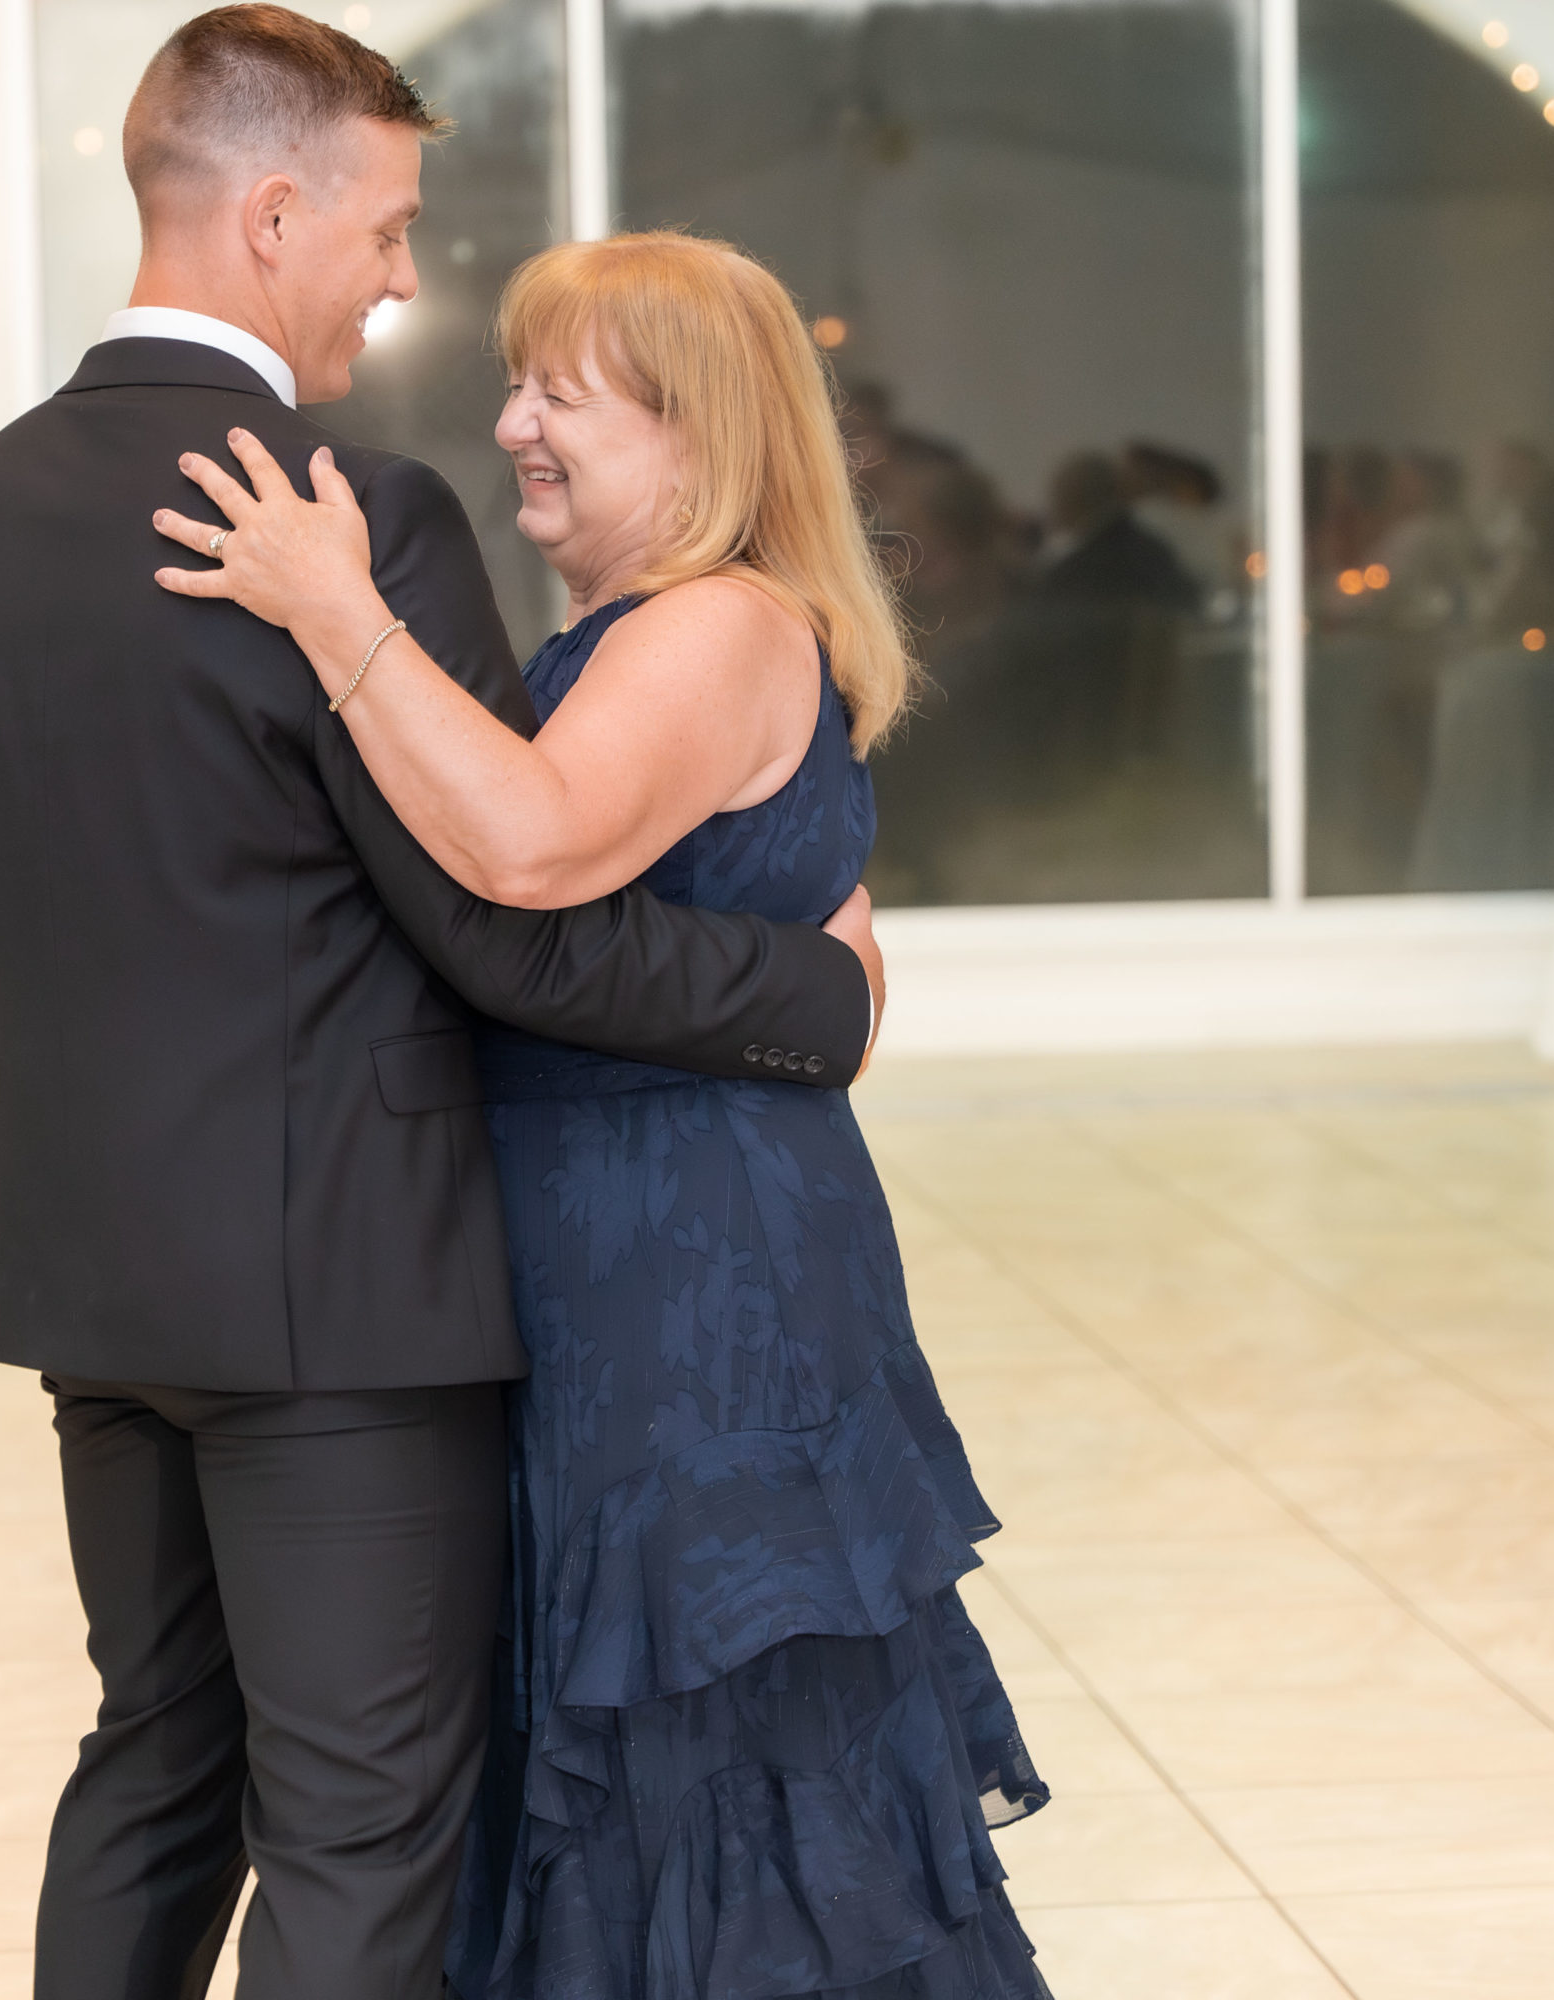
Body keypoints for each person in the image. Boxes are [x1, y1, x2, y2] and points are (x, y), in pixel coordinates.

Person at [0, 15, 880, 1997]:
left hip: (97, 1280)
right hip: (343, 1295)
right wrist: (808, 995)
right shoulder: (353, 517)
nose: (401, 278)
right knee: (357, 1825)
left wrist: (132, 1098)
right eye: (389, 226)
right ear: (271, 214)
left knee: (154, 1768)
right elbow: (513, 926)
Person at [152, 229, 1050, 1997]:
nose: (512, 428)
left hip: (683, 1283)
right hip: (638, 1245)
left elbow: (532, 845)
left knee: (697, 1752)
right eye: (516, 388)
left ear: (699, 442)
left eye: (559, 397)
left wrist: (335, 609)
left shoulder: (713, 624)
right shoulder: (655, 632)